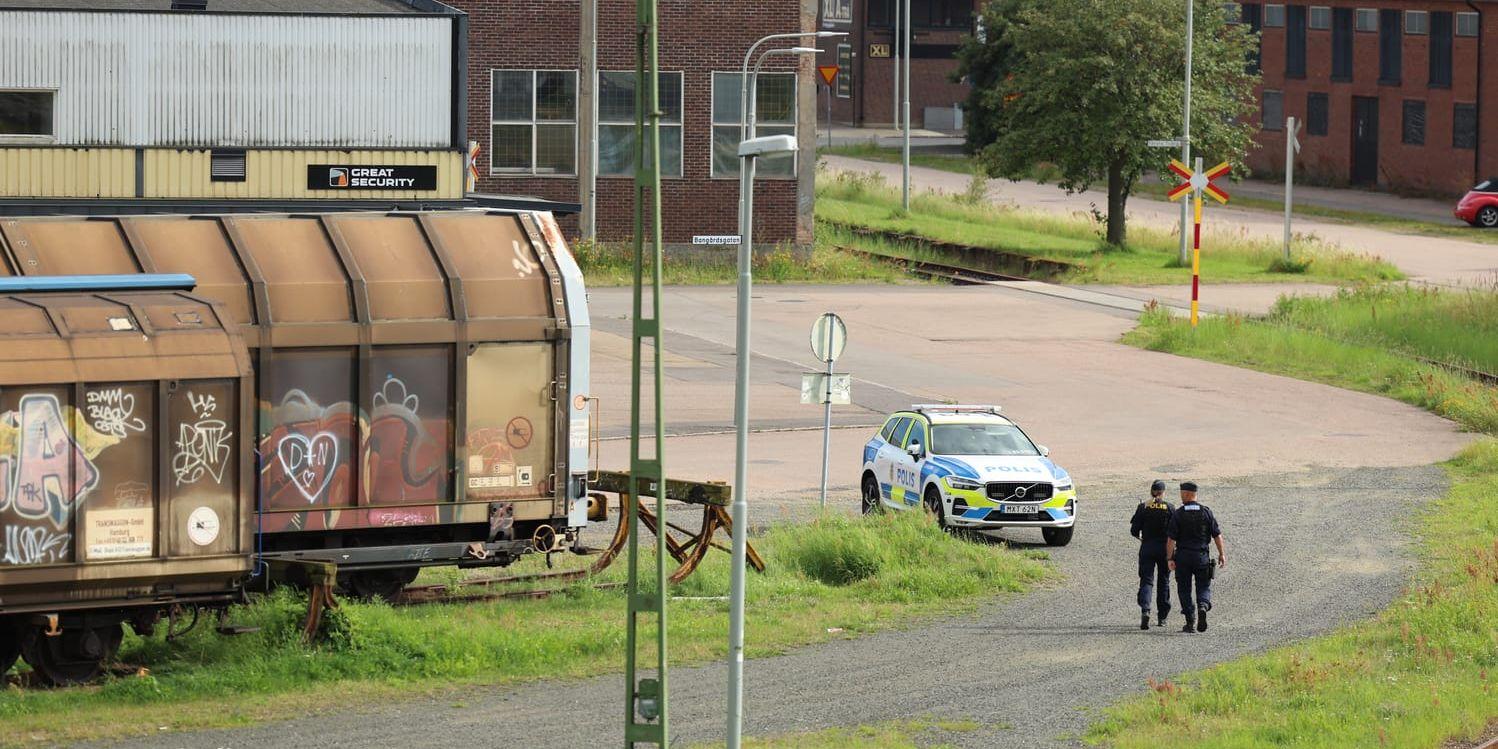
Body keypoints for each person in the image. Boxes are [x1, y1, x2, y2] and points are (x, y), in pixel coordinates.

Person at [1166, 481, 1226, 633]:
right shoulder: (1206, 512)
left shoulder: (1178, 514)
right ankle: (1203, 606)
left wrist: (1170, 558)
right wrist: (1221, 554)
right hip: (1201, 556)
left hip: (1183, 557)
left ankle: (1190, 621)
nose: (1180, 496)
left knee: (1184, 589)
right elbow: (1217, 535)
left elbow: (1171, 540)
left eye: (1181, 493)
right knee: (1203, 586)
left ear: (1187, 494)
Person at [1129, 479, 1173, 630]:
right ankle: (1162, 617)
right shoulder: (1170, 507)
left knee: (1147, 581)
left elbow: (1134, 531)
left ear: (1151, 491)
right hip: (1165, 549)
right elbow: (1175, 531)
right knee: (1164, 581)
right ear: (1163, 492)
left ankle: (1145, 610)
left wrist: (1142, 539)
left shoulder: (1143, 507)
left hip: (1147, 547)